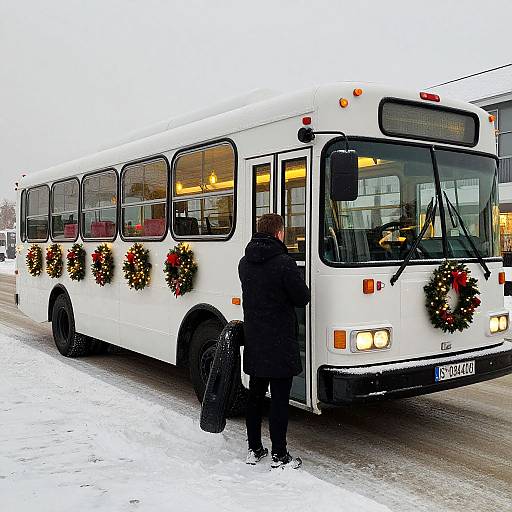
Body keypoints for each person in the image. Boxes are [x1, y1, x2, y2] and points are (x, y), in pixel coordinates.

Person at [238, 213, 311, 469]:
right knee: (279, 400)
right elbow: (302, 297)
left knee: (255, 397)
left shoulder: (244, 263)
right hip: (280, 342)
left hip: (256, 340)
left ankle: (254, 449)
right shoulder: (284, 263)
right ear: (279, 233)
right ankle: (280, 454)